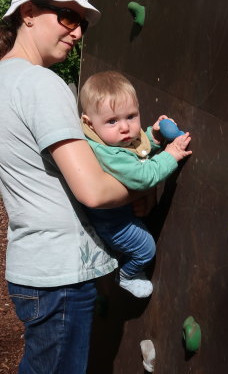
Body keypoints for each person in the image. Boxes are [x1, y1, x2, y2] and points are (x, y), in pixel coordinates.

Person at [0, 0, 136, 374]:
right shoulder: (39, 83)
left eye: (80, 23)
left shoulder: (2, 79)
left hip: (37, 269)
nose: (77, 32)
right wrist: (151, 177)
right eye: (67, 17)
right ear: (28, 13)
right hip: (59, 276)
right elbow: (94, 191)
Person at [79, 71, 192, 298]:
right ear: (89, 123)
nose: (125, 128)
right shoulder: (107, 153)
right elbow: (143, 175)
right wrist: (171, 154)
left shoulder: (111, 138)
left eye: (131, 116)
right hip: (112, 222)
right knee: (145, 249)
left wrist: (155, 136)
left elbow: (137, 148)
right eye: (112, 121)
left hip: (121, 211)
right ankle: (127, 274)